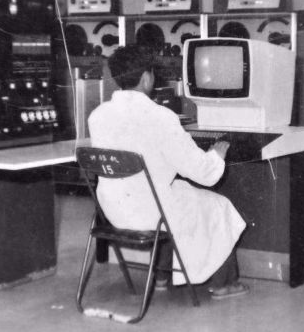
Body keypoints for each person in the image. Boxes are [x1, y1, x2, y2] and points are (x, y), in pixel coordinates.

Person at [88, 45, 249, 300]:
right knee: (218, 205)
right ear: (146, 78)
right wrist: (217, 154)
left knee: (177, 195)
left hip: (114, 212)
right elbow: (204, 174)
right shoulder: (161, 117)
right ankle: (224, 284)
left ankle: (161, 276)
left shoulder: (98, 115)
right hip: (151, 213)